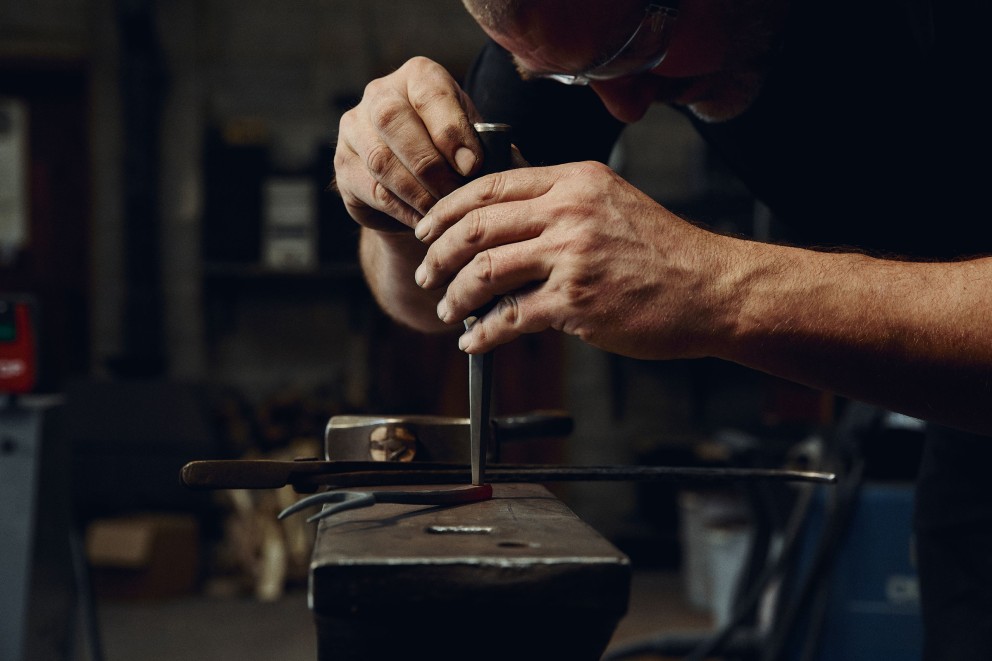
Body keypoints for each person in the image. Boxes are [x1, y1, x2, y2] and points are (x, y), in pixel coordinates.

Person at [332, 0, 992, 658]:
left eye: (640, 48)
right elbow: (430, 299)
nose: (622, 106)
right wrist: (395, 207)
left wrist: (720, 288)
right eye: (570, 78)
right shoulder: (582, 31)